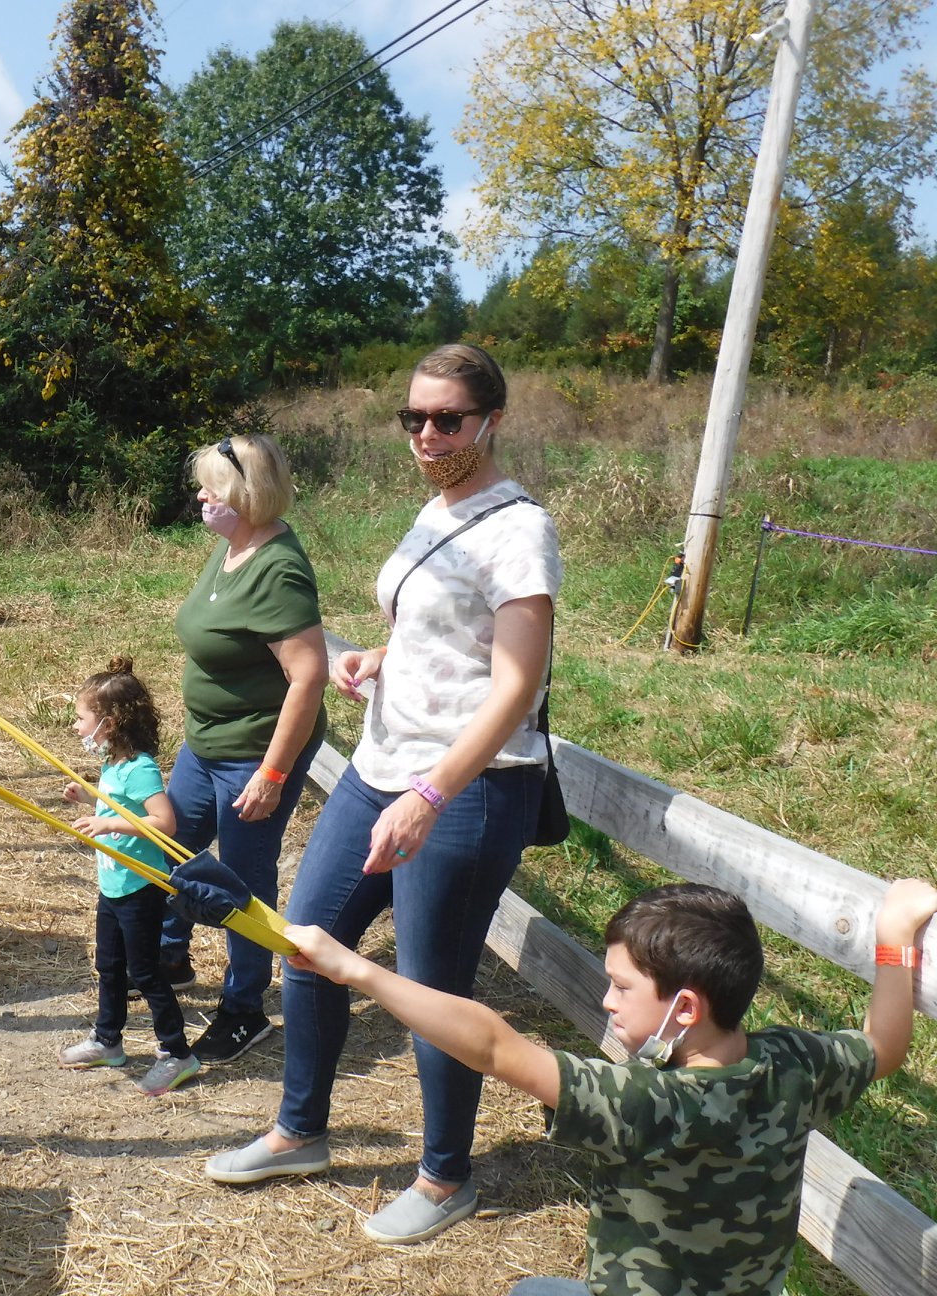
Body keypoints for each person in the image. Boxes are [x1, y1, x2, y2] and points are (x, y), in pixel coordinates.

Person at [205, 343, 561, 1244]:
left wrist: (432, 795)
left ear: (492, 420)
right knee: (304, 942)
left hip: (465, 787)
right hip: (379, 767)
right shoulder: (436, 509)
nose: (428, 435)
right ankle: (300, 1131)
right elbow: (441, 631)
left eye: (448, 419)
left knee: (432, 987)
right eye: (414, 418)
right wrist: (378, 655)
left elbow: (517, 686)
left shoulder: (520, 530)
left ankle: (445, 1179)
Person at [281, 878, 937, 1294]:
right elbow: (884, 1048)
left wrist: (356, 970)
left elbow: (493, 1046)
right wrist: (894, 937)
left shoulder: (646, 1103)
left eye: (622, 986)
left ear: (685, 1008)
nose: (608, 1000)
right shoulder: (795, 1063)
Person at [162, 432, 329, 1064]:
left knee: (244, 879)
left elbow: (308, 677)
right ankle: (171, 955)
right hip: (204, 744)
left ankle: (245, 1008)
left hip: (253, 755)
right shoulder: (232, 546)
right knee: (170, 843)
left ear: (249, 494)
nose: (201, 497)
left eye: (214, 488)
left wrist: (273, 774)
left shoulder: (278, 568)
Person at [59, 657, 200, 1096]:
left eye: (81, 718)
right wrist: (91, 801)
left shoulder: (140, 768)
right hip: (113, 886)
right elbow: (119, 806)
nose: (76, 727)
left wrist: (108, 823)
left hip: (139, 887)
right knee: (109, 965)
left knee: (145, 971)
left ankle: (177, 1052)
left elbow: (164, 822)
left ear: (110, 722)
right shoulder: (113, 764)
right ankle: (108, 1040)